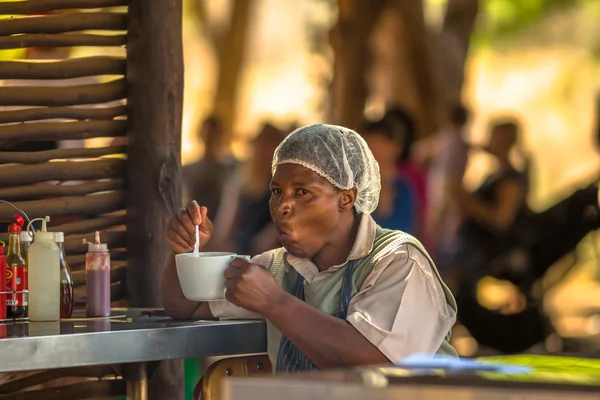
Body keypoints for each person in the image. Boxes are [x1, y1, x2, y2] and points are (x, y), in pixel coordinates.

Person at [162, 124, 457, 372]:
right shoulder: (278, 268)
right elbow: (186, 306)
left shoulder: (398, 262)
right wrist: (184, 250)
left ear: (347, 198)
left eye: (302, 192)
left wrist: (274, 303)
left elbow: (376, 362)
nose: (281, 207)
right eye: (277, 192)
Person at [359, 119, 416, 234]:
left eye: (381, 143)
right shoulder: (355, 187)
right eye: (369, 142)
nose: (375, 149)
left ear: (396, 147)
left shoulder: (404, 188)